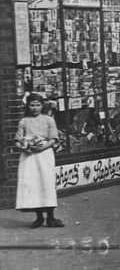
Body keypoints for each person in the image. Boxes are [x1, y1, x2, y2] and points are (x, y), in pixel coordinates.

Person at [16, 93, 63, 228]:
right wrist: (25, 147)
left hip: (44, 154)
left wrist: (42, 147)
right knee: (33, 184)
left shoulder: (48, 120)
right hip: (29, 156)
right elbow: (18, 140)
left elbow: (54, 138)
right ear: (28, 106)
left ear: (42, 105)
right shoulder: (23, 121)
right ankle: (38, 217)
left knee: (46, 183)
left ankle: (51, 217)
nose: (35, 108)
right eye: (32, 105)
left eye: (38, 105)